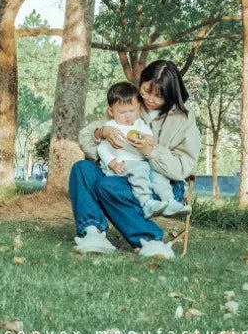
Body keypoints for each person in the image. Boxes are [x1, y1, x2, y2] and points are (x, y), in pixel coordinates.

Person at [70, 59, 201, 259]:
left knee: (108, 186)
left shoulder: (184, 119)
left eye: (159, 95)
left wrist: (152, 151)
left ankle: (150, 240)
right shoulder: (131, 103)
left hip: (163, 183)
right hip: (121, 172)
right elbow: (88, 142)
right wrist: (102, 132)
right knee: (82, 168)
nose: (151, 99)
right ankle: (93, 232)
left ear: (171, 93)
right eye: (146, 91)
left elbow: (183, 168)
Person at [96, 81, 191, 219]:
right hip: (121, 165)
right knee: (140, 170)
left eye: (132, 111)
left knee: (158, 174)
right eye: (122, 112)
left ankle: (169, 201)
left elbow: (150, 139)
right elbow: (102, 148)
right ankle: (146, 203)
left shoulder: (140, 125)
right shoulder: (111, 127)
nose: (128, 116)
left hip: (142, 162)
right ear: (111, 111)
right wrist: (112, 163)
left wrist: (149, 139)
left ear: (139, 108)